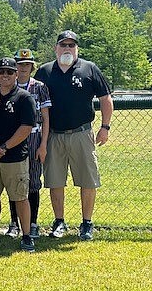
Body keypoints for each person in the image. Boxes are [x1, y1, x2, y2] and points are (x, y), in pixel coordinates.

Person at [34, 30, 113, 241]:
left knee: (88, 180)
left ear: (77, 48)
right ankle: (59, 221)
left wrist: (105, 127)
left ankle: (87, 223)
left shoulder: (89, 69)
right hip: (53, 135)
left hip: (82, 133)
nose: (67, 48)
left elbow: (106, 98)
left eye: (71, 45)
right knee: (55, 180)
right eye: (63, 45)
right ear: (56, 48)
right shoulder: (45, 71)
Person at [0, 58, 36, 252]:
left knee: (20, 197)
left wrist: (3, 147)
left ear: (16, 74)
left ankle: (26, 236)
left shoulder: (24, 97)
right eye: (1, 72)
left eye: (9, 72)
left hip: (14, 157)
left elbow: (26, 128)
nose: (5, 75)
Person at [5, 49, 51, 240]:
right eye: (20, 64)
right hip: (13, 137)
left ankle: (32, 223)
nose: (23, 68)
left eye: (27, 65)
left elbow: (46, 118)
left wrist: (43, 145)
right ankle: (14, 223)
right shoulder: (7, 86)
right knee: (13, 180)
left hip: (34, 137)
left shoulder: (39, 87)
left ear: (32, 67)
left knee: (32, 182)